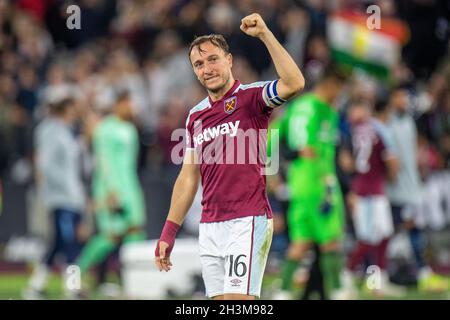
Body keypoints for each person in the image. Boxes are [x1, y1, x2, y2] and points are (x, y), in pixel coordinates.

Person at [154, 13, 305, 300]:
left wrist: (264, 34)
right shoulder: (195, 116)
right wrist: (168, 232)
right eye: (198, 64)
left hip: (247, 220)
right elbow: (188, 176)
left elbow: (295, 82)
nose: (206, 68)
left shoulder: (252, 99)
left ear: (230, 61)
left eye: (213, 59)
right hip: (210, 226)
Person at [275, 66, 348, 300]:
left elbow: (274, 135)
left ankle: (284, 292)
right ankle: (337, 290)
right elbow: (301, 145)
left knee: (302, 240)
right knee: (330, 239)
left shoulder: (326, 110)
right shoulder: (309, 107)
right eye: (339, 89)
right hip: (315, 180)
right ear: (330, 85)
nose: (340, 95)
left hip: (305, 182)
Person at [76, 91, 146, 294]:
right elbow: (104, 162)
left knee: (136, 231)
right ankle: (75, 274)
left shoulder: (131, 129)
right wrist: (111, 191)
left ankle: (133, 283)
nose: (133, 108)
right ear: (119, 103)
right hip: (110, 189)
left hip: (130, 187)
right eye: (130, 104)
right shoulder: (105, 129)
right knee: (111, 236)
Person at [23, 97, 85, 299]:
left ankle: (35, 286)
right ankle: (72, 287)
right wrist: (67, 190)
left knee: (59, 244)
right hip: (61, 198)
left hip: (69, 197)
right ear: (65, 109)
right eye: (73, 109)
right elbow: (46, 165)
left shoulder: (65, 132)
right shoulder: (51, 131)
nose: (76, 113)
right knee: (69, 243)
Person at [343, 99, 403, 297]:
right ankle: (347, 279)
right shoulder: (378, 129)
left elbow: (347, 163)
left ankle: (378, 282)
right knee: (369, 239)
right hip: (371, 191)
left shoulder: (351, 129)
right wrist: (393, 176)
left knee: (382, 236)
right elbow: (392, 160)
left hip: (364, 189)